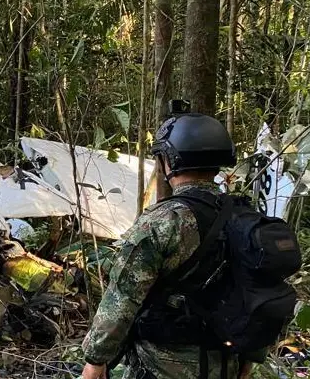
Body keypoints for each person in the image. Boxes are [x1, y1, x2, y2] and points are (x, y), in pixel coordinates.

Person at [79, 109, 260, 379]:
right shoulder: (246, 218)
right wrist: (250, 358)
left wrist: (95, 360)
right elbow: (262, 292)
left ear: (170, 161)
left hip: (161, 366)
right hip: (227, 364)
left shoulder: (164, 220)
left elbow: (122, 299)